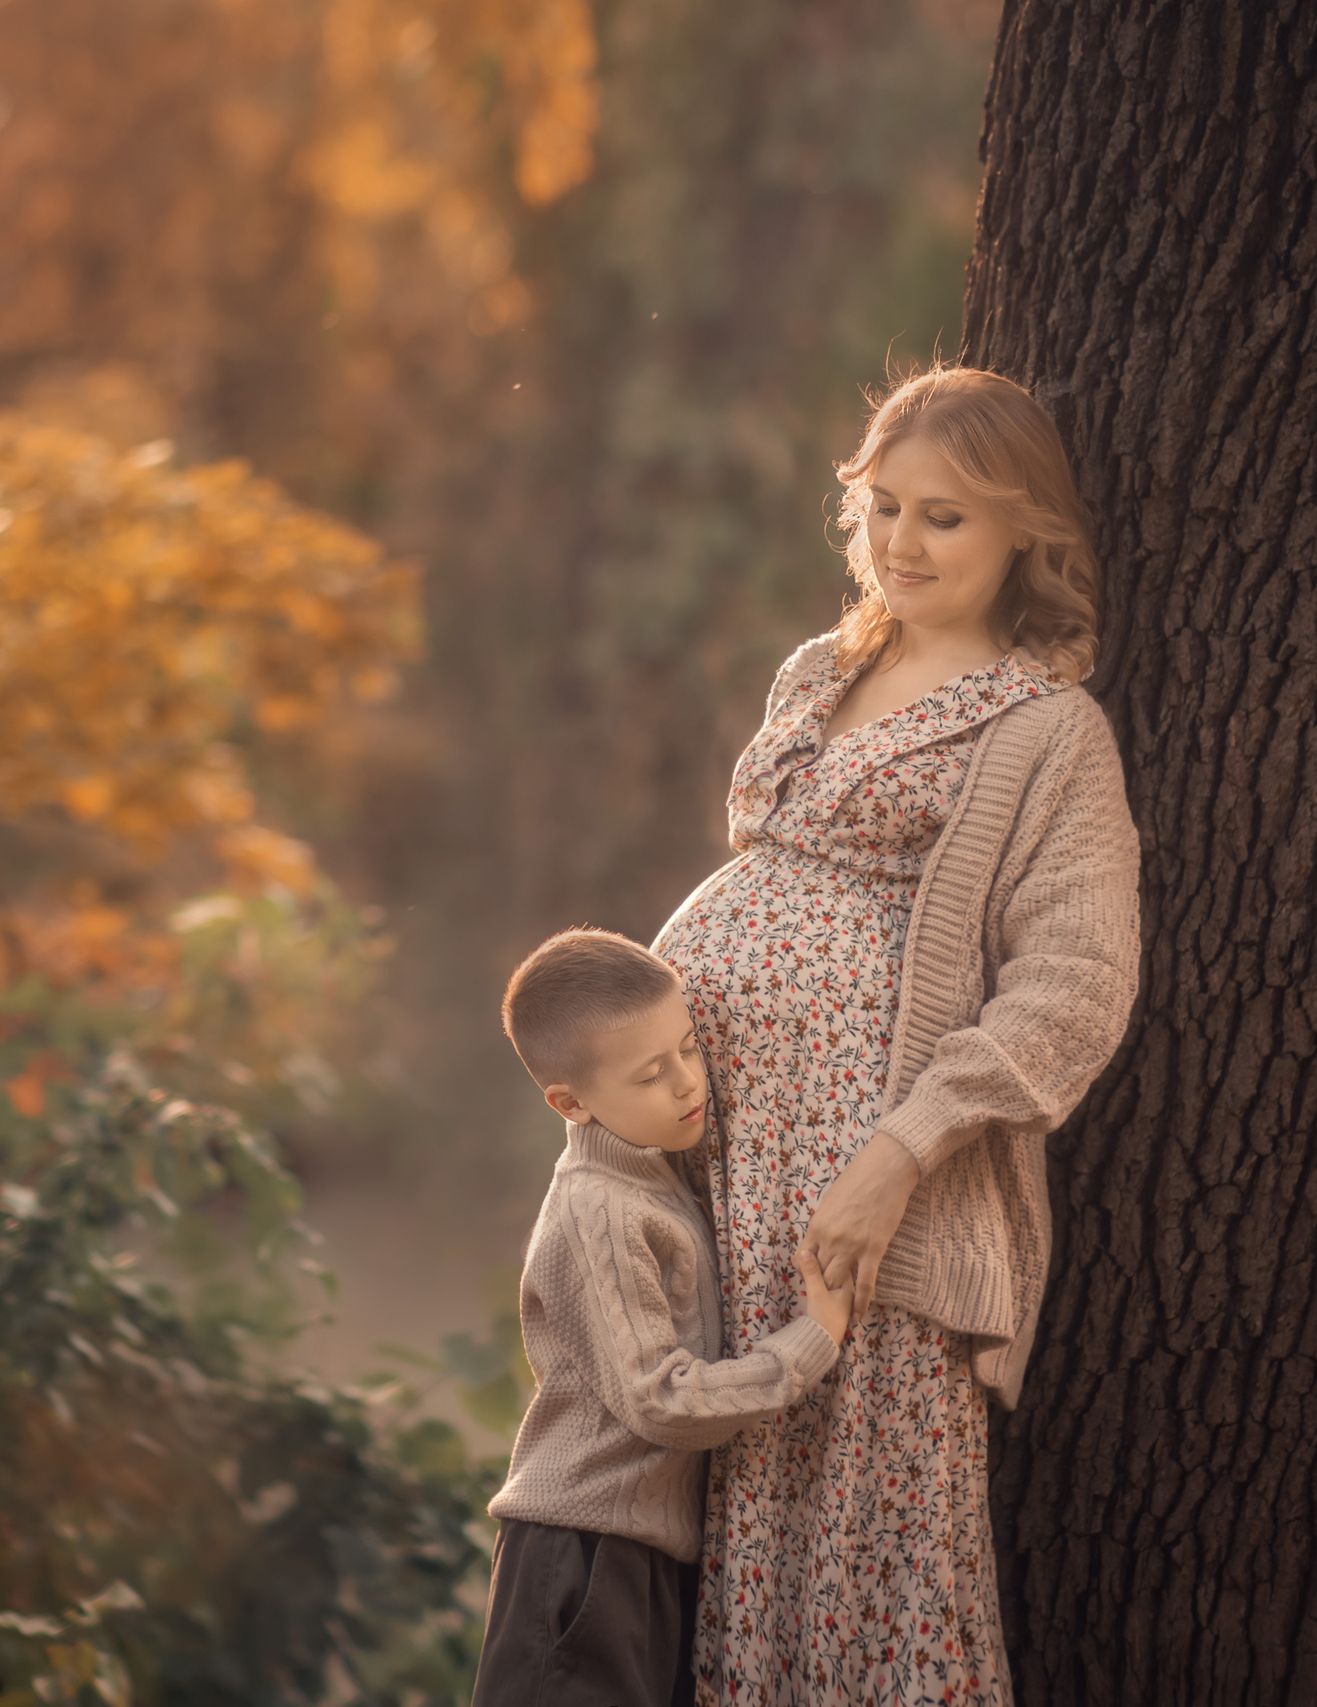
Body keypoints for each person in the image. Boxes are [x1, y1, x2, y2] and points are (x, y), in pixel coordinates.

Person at [653, 364, 1143, 1703]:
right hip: (727, 1160)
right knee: (725, 1503)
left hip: (867, 1177)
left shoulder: (1048, 730)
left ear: (1025, 533)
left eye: (947, 518)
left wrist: (899, 1150)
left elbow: (1076, 986)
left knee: (864, 1519)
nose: (903, 543)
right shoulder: (821, 668)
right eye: (883, 506)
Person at [475, 928, 854, 1707]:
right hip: (581, 1555)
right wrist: (812, 1340)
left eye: (689, 1048)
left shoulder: (654, 1174)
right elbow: (663, 1400)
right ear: (570, 1102)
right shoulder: (600, 1210)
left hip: (639, 1551)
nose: (688, 1083)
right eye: (652, 1073)